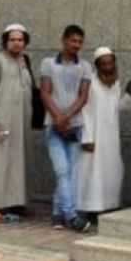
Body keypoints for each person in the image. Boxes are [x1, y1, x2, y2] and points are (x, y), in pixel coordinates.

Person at [40, 24, 92, 233]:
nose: (76, 45)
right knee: (61, 170)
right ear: (63, 40)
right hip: (53, 127)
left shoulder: (85, 66)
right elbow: (45, 93)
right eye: (73, 40)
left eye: (80, 42)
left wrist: (67, 117)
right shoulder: (48, 63)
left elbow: (84, 96)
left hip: (75, 126)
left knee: (67, 173)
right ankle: (71, 215)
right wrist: (58, 118)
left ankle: (56, 213)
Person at [0, 24, 32, 222]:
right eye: (12, 39)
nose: (17, 43)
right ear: (5, 41)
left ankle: (16, 203)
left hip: (21, 121)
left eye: (20, 39)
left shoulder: (23, 62)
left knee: (18, 162)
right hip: (1, 121)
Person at [76, 47, 131, 219]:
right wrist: (87, 137)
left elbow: (117, 108)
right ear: (97, 66)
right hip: (93, 138)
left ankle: (108, 206)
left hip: (111, 139)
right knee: (91, 173)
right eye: (104, 64)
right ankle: (89, 209)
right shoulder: (90, 84)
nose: (108, 67)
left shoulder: (115, 84)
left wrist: (130, 94)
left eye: (110, 63)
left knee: (111, 171)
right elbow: (83, 111)